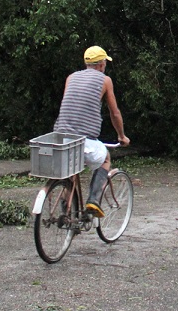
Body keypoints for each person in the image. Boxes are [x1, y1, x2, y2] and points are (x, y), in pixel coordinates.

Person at [53, 45, 131, 218]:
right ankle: (93, 200)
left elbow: (68, 105)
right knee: (106, 158)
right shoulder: (105, 80)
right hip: (84, 140)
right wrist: (121, 136)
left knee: (71, 170)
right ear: (101, 64)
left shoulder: (71, 77)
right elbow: (114, 113)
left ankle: (66, 212)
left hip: (61, 137)